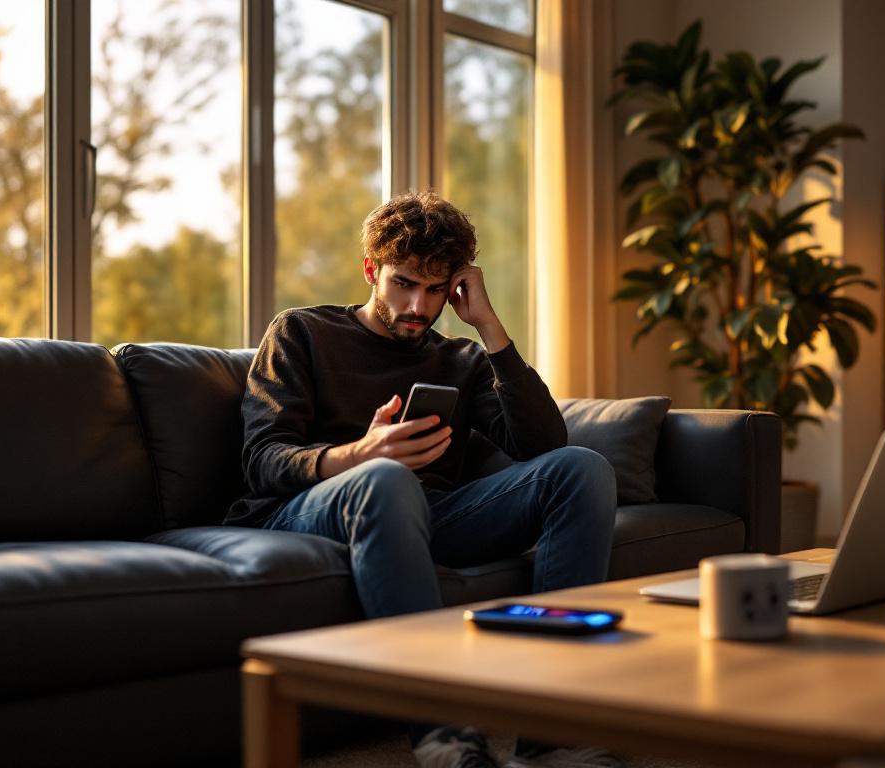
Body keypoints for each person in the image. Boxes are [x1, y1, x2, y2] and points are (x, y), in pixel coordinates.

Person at [226, 190, 619, 768]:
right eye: (404, 283)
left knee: (581, 468)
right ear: (371, 271)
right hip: (308, 509)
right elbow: (263, 458)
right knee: (385, 477)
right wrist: (360, 454)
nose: (418, 305)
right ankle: (443, 734)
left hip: (428, 515)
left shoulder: (458, 358)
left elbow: (541, 444)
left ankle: (552, 725)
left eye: (436, 290)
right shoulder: (301, 333)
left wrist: (488, 326)